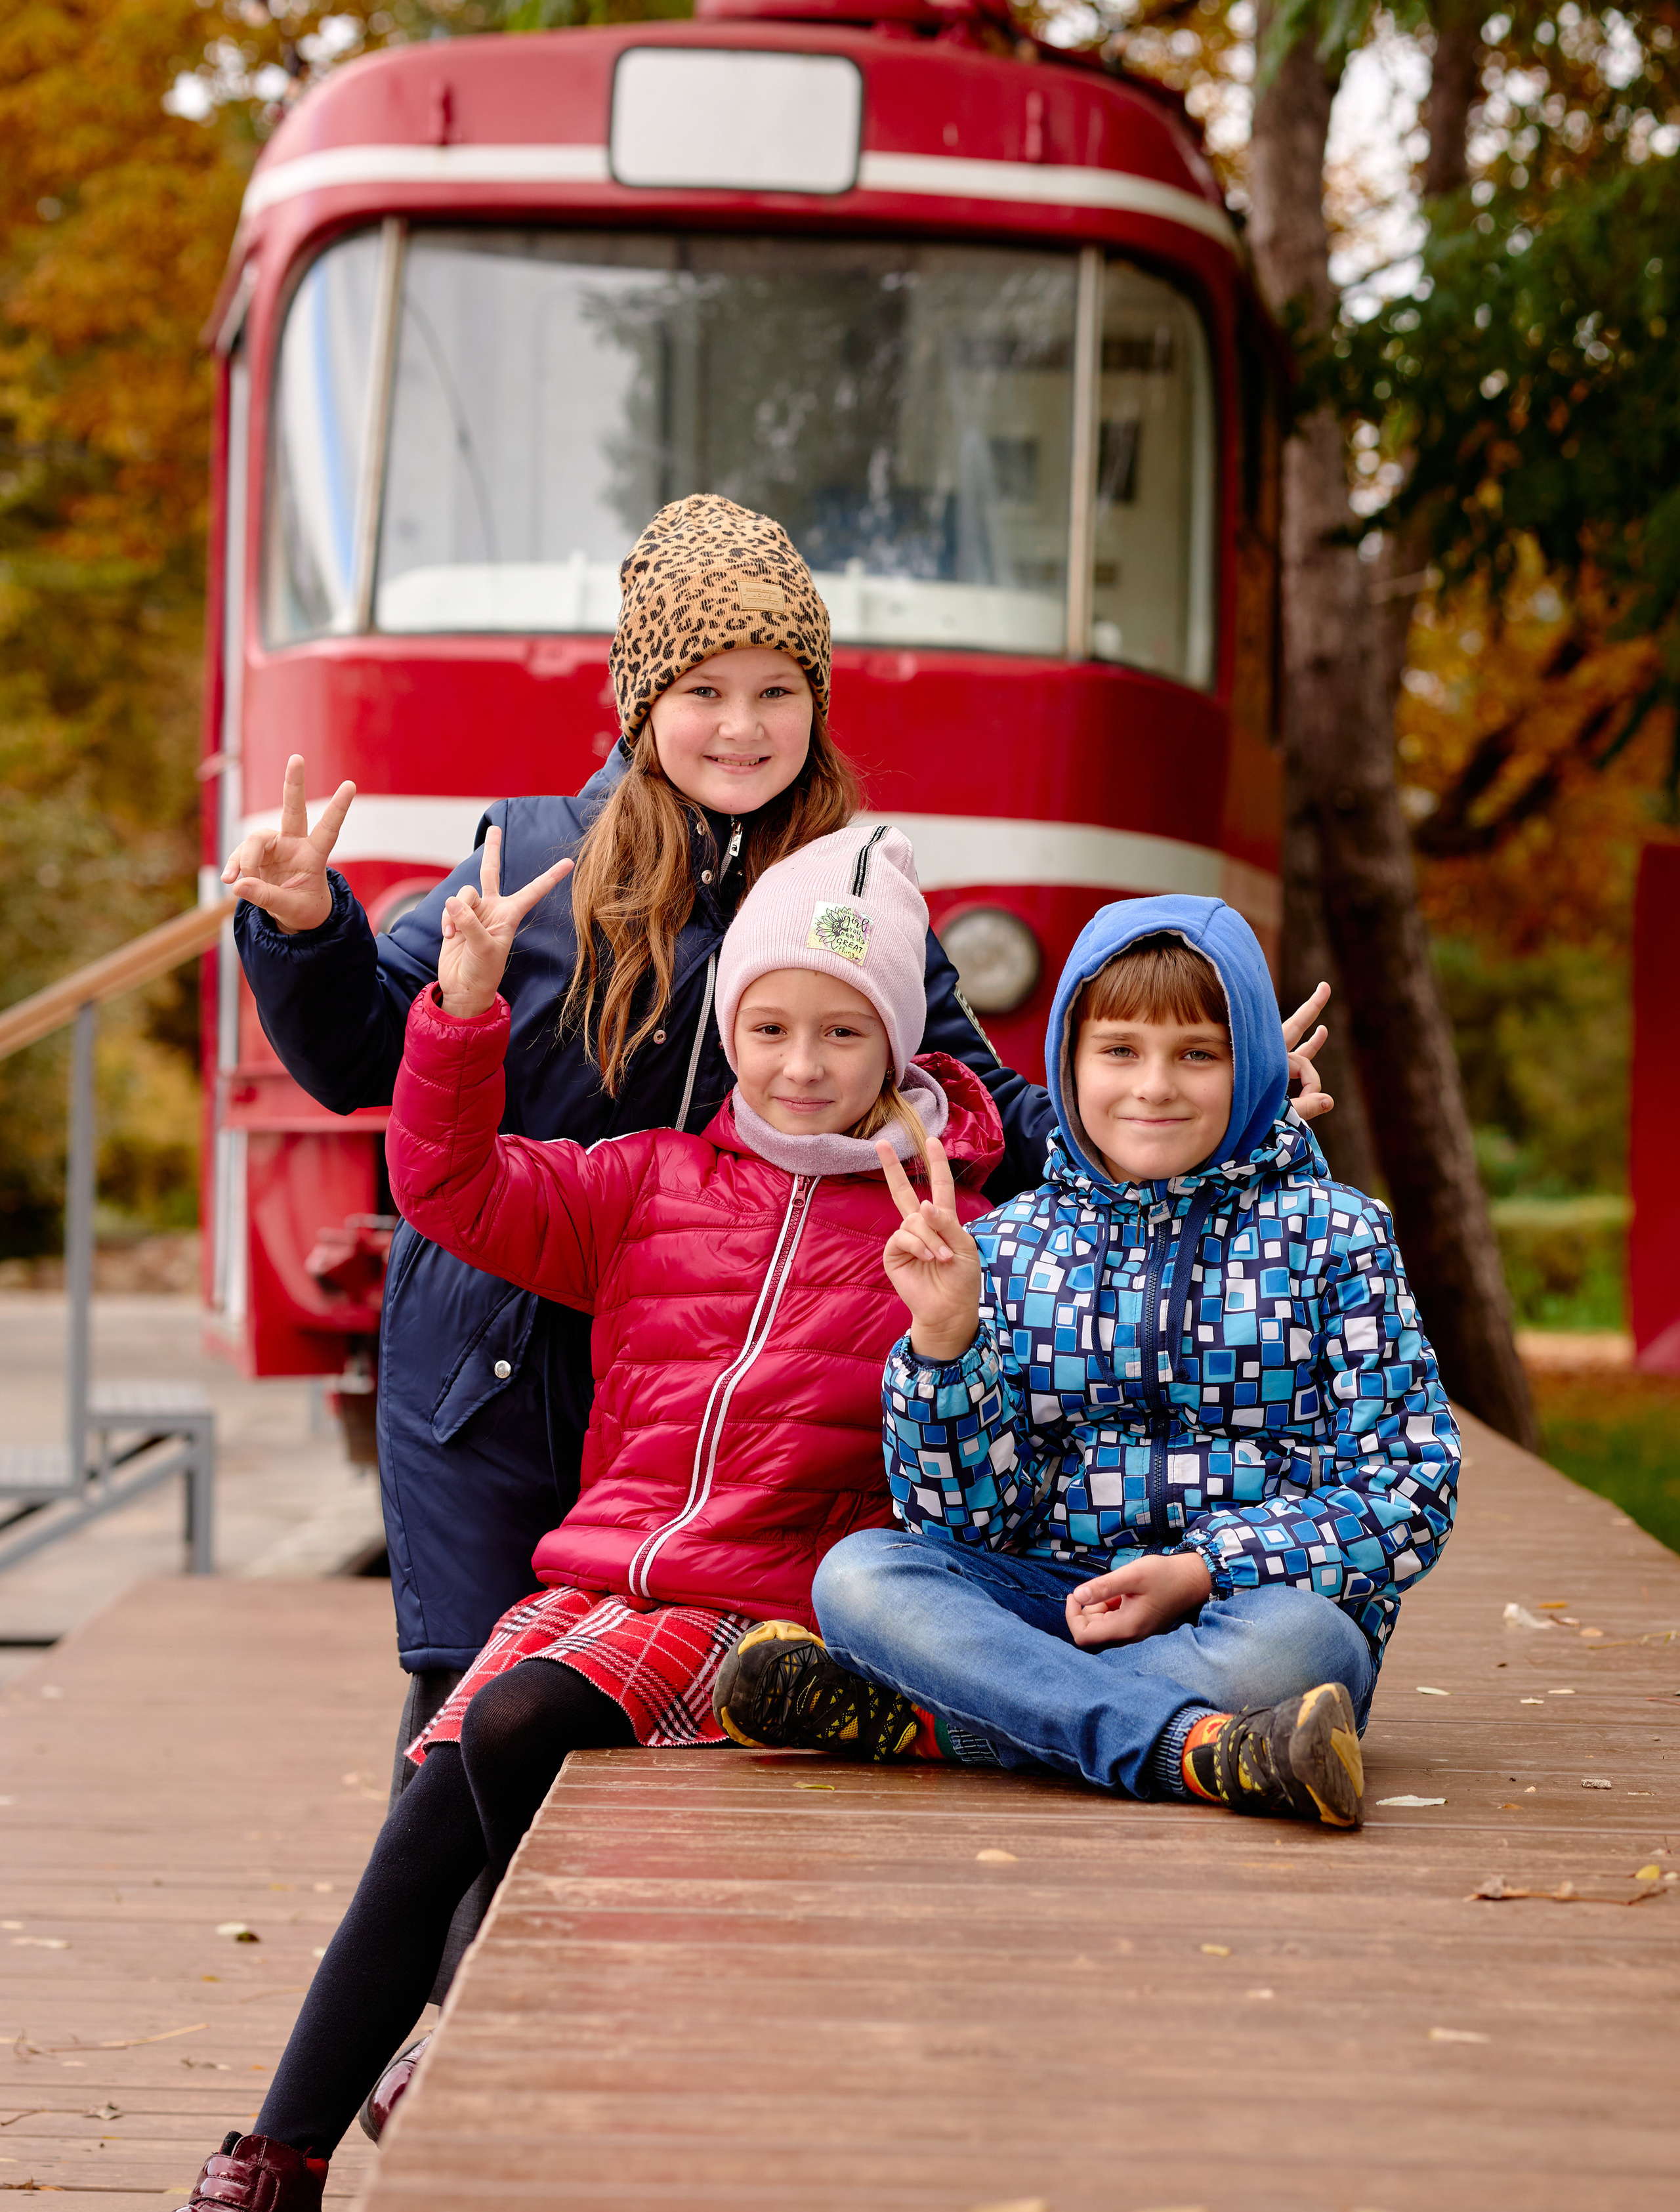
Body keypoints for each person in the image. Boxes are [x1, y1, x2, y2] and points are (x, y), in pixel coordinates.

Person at [224, 493, 1336, 1896]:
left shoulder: (851, 893)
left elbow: (980, 1108)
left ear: (816, 702)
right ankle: (435, 2004)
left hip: (714, 1378)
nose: (739, 728)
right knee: (468, 1719)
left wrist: (1200, 1111)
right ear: (641, 704)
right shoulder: (533, 858)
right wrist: (307, 927)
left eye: (775, 692)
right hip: (502, 1360)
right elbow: (367, 1058)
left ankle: (590, 2000)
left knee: (654, 1733)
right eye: (702, 691)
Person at [49, 821, 1003, 2212]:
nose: (800, 1065)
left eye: (842, 1033)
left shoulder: (953, 1226)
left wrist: (956, 1322)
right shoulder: (650, 1181)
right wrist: (462, 1012)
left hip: (775, 1611)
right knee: (442, 1776)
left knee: (502, 1722)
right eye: (767, 1028)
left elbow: (989, 1457)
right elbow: (451, 1189)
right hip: (604, 1584)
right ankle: (272, 2184)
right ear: (728, 1032)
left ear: (897, 1042)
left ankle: (434, 2059)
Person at [713, 895, 1461, 1827]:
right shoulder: (1011, 1244)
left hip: (1240, 1608)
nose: (1155, 1086)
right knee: (860, 1575)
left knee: (1306, 1647)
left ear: (1254, 1065)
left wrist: (1202, 1570)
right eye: (1119, 1051)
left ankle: (956, 1721)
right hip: (1045, 1596)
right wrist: (945, 1344)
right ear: (1068, 1062)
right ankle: (1196, 1747)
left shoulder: (1337, 1236)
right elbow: (967, 1525)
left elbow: (1409, 1486)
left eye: (1198, 1054)